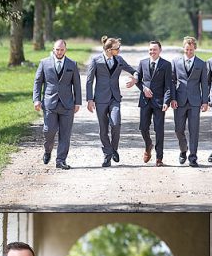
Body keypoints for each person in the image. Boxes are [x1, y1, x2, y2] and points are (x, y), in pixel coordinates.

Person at [86, 36, 139, 167]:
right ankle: (107, 154)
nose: (119, 50)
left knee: (116, 124)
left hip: (115, 98)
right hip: (100, 99)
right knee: (103, 128)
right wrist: (90, 99)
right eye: (117, 48)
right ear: (109, 50)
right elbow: (89, 81)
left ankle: (114, 149)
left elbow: (134, 71)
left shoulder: (119, 60)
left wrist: (135, 79)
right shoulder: (96, 61)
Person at [33, 39, 82, 170]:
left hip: (67, 105)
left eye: (62, 50)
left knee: (65, 134)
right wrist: (36, 99)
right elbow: (38, 82)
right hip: (50, 103)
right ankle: (48, 150)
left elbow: (77, 84)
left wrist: (77, 102)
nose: (59, 52)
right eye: (57, 50)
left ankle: (61, 160)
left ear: (65, 50)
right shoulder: (44, 63)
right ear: (53, 49)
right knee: (49, 131)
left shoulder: (72, 64)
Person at [170, 36, 210, 167]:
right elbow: (172, 82)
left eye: (191, 50)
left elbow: (204, 84)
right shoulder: (175, 62)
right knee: (178, 129)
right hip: (179, 101)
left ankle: (193, 157)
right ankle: (183, 150)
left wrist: (205, 101)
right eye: (187, 49)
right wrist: (173, 98)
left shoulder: (201, 64)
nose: (189, 52)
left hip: (195, 102)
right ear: (183, 48)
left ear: (195, 49)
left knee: (194, 130)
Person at [135, 40, 173, 166]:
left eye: (155, 49)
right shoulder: (142, 63)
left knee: (159, 130)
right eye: (150, 49)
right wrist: (144, 89)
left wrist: (166, 101)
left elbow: (168, 85)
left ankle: (159, 158)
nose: (152, 52)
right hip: (145, 101)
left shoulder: (166, 65)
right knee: (143, 127)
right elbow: (138, 80)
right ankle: (148, 145)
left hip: (159, 102)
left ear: (160, 50)